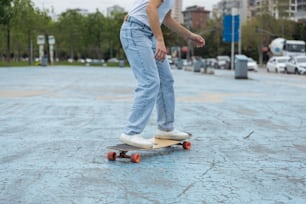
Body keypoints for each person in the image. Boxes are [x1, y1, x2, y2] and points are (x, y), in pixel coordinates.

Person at [119, 0, 205, 148]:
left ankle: (166, 128)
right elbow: (150, 8)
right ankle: (131, 132)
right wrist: (160, 39)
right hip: (135, 31)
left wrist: (189, 35)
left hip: (148, 33)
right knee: (149, 81)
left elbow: (166, 18)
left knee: (166, 80)